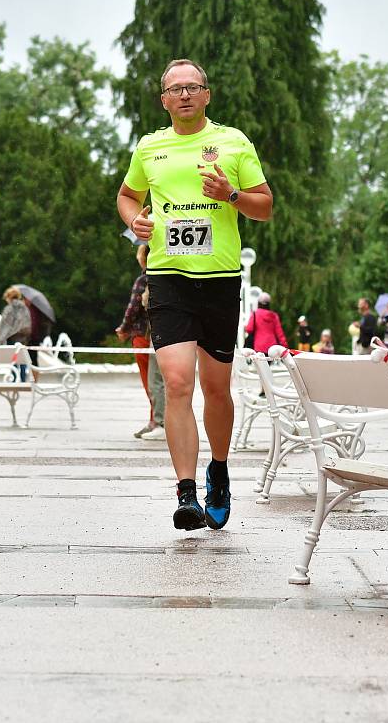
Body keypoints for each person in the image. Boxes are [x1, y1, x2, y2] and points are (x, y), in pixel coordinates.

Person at [117, 58, 272, 531]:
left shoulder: (233, 141)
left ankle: (218, 473)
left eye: (193, 87)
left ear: (207, 94)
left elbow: (264, 207)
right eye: (174, 89)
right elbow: (127, 196)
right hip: (168, 277)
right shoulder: (150, 147)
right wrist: (134, 221)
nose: (184, 95)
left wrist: (230, 195)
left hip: (220, 279)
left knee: (215, 388)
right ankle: (186, 490)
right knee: (179, 382)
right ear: (163, 99)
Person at [116, 245, 161, 438]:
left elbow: (133, 308)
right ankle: (157, 420)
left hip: (143, 336)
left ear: (144, 258)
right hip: (163, 336)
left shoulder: (144, 279)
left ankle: (156, 421)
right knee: (161, 381)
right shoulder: (164, 277)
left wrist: (124, 328)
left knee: (151, 381)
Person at [0, 286, 32, 381]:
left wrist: (0, 339)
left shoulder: (9, 309)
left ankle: (14, 380)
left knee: (14, 360)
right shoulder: (25, 308)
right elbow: (28, 323)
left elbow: (5, 325)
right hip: (23, 338)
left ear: (9, 297)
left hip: (12, 338)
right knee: (23, 359)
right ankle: (23, 380)